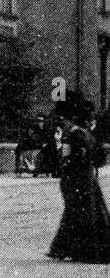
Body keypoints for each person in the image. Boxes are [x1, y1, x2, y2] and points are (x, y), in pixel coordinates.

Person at [46, 97, 110, 263]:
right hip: (86, 178)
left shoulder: (75, 135)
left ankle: (79, 250)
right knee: (86, 212)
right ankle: (73, 249)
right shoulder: (87, 135)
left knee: (77, 212)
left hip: (76, 179)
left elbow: (67, 160)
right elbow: (98, 159)